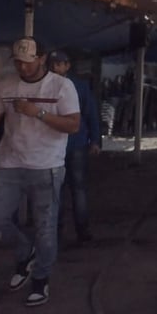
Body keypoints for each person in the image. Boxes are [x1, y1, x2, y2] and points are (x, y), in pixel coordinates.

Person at [0, 37, 80, 307]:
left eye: (28, 62)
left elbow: (73, 125)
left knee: (45, 228)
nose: (23, 67)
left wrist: (38, 112)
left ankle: (40, 280)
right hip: (9, 164)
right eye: (18, 62)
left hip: (47, 166)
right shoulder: (6, 85)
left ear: (42, 58)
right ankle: (24, 252)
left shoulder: (62, 86)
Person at [48, 50, 102, 244]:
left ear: (67, 65)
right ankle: (78, 231)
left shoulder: (54, 87)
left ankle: (61, 232)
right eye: (54, 64)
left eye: (60, 64)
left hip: (67, 145)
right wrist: (95, 140)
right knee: (72, 189)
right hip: (67, 144)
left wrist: (95, 140)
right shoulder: (78, 86)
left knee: (62, 189)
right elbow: (91, 114)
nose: (56, 67)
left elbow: (91, 113)